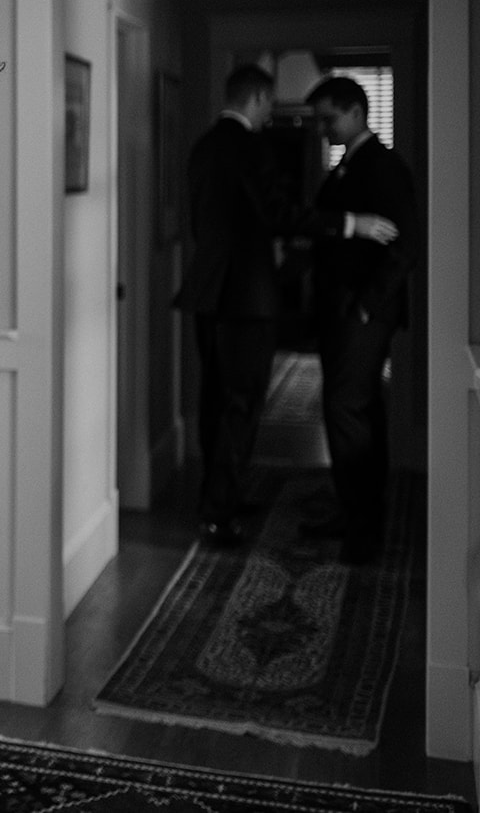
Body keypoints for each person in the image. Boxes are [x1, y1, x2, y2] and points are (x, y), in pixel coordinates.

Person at [302, 75, 416, 565]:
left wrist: (369, 304)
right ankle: (355, 512)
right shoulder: (345, 165)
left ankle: (365, 530)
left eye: (328, 119)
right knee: (354, 410)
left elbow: (403, 246)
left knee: (349, 410)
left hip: (362, 311)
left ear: (355, 112)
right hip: (341, 308)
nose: (322, 129)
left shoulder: (383, 167)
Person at [173, 65, 289, 547]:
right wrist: (346, 224)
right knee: (241, 406)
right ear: (258, 98)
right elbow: (279, 215)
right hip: (248, 298)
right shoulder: (255, 148)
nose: (271, 112)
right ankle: (219, 512)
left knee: (216, 400)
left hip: (209, 293)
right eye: (270, 103)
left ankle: (217, 496)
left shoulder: (203, 146)